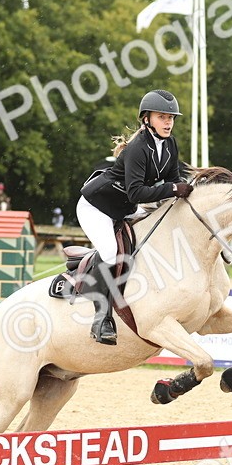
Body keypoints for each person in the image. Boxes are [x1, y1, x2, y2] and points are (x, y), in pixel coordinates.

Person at [77, 89, 191, 345]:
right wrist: (174, 189)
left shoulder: (170, 144)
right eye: (162, 117)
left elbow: (174, 180)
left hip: (125, 208)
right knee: (110, 253)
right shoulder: (139, 148)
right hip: (97, 207)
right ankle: (102, 318)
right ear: (146, 119)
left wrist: (184, 188)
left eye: (171, 117)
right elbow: (137, 191)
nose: (168, 122)